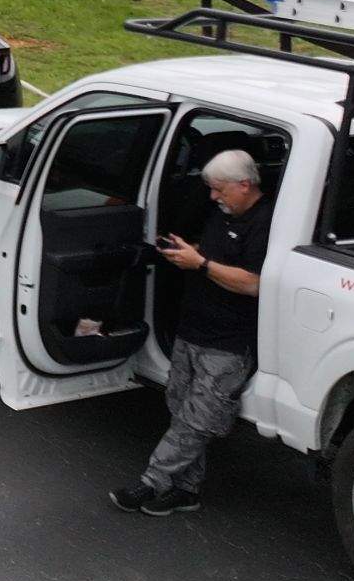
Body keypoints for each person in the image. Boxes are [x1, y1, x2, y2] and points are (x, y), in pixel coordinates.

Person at [110, 148, 271, 516]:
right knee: (180, 409)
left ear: (244, 185)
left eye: (219, 190)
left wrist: (199, 263)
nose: (213, 197)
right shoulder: (222, 214)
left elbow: (253, 282)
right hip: (191, 331)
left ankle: (152, 481)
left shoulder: (266, 224)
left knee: (199, 420)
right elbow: (213, 255)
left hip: (227, 343)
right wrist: (187, 252)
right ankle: (186, 490)